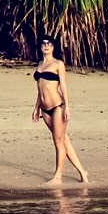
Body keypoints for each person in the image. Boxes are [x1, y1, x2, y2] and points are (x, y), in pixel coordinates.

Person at [30, 37, 87, 184]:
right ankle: (82, 172)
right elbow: (40, 89)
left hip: (57, 106)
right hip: (44, 108)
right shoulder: (40, 64)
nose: (46, 46)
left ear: (53, 47)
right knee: (64, 140)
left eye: (49, 43)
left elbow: (63, 86)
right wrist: (36, 107)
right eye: (43, 44)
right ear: (41, 47)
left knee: (58, 141)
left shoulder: (58, 64)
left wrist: (67, 107)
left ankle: (58, 176)